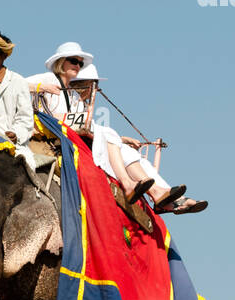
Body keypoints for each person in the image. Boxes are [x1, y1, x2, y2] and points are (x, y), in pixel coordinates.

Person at [74, 64, 207, 215]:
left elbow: (95, 130)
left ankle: (168, 197)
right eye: (92, 84)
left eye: (95, 85)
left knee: (139, 159)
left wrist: (122, 139)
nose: (95, 89)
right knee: (125, 151)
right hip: (84, 143)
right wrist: (118, 139)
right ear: (82, 85)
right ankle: (160, 194)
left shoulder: (82, 105)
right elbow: (87, 130)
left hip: (96, 141)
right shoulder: (72, 102)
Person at [0, 30, 34, 158]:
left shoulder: (18, 82)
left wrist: (16, 135)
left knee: (25, 167)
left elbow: (25, 119)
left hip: (8, 145)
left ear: (4, 56)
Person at [26, 40, 91, 130]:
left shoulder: (74, 94)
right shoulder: (48, 78)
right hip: (43, 133)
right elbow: (17, 85)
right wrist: (42, 87)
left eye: (81, 63)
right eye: (74, 61)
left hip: (64, 136)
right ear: (61, 61)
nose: (78, 66)